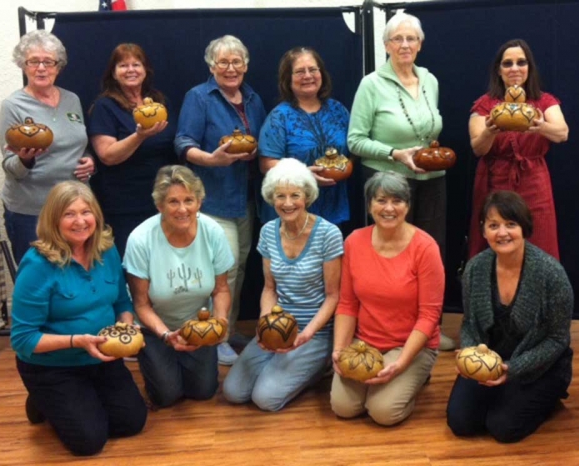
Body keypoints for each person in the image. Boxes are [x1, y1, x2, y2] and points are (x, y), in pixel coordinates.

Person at [10, 181, 146, 456]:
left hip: (102, 358)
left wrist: (126, 325)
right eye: (69, 214)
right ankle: (42, 398)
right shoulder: (38, 264)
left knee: (131, 423)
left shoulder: (105, 250)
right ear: (53, 219)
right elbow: (23, 338)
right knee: (89, 441)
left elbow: (122, 300)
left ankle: (80, 397)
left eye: (86, 212)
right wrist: (77, 341)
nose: (80, 221)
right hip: (53, 366)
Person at [347, 12, 454, 350]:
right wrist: (396, 153)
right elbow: (355, 140)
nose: (405, 44)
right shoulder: (371, 84)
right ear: (386, 45)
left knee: (429, 253)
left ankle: (428, 332)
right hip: (388, 184)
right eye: (397, 39)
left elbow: (428, 130)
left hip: (432, 179)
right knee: (389, 257)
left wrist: (426, 154)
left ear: (420, 45)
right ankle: (387, 331)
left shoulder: (430, 80)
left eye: (411, 39)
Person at [447, 190, 573, 443]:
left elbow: (557, 340)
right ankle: (503, 395)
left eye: (510, 224)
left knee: (503, 428)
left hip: (540, 366)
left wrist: (513, 368)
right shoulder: (475, 268)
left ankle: (549, 397)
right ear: (483, 231)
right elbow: (470, 324)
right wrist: (471, 356)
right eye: (493, 225)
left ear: (524, 228)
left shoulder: (551, 274)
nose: (502, 233)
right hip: (491, 362)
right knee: (461, 423)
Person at [175, 35, 267, 365]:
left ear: (246, 65)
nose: (231, 68)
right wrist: (212, 159)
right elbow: (183, 143)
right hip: (213, 199)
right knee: (222, 273)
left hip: (246, 198)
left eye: (237, 61)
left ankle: (226, 327)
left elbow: (260, 138)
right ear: (211, 66)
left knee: (240, 267)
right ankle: (216, 338)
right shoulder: (199, 97)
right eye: (223, 62)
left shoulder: (253, 98)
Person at [223, 158, 343, 411]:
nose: (287, 203)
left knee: (265, 399)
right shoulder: (268, 231)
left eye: (294, 195)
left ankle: (318, 368)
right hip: (278, 325)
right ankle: (283, 367)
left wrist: (306, 334)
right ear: (271, 198)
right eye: (280, 196)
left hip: (314, 331)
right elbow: (269, 288)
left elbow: (334, 296)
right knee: (233, 392)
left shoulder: (328, 233)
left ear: (307, 196)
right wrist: (265, 325)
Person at [330, 171, 444, 426]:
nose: (389, 208)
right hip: (364, 344)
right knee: (343, 407)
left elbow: (429, 316)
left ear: (408, 205)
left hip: (408, 346)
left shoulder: (425, 247)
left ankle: (414, 378)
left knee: (383, 412)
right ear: (369, 204)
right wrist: (339, 349)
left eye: (397, 201)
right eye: (381, 200)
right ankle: (389, 385)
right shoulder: (354, 242)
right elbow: (347, 304)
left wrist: (402, 364)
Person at [123, 165, 234, 409]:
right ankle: (156, 361)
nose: (182, 209)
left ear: (199, 202)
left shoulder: (212, 232)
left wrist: (221, 321)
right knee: (166, 397)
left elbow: (221, 289)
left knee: (204, 392)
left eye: (188, 200)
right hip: (156, 330)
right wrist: (166, 335)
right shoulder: (141, 239)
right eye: (173, 202)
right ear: (160, 206)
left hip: (199, 326)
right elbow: (140, 303)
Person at [468, 39, 569, 260]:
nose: (514, 68)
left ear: (529, 68)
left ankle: (539, 292)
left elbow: (562, 133)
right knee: (496, 243)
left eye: (521, 62)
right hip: (496, 182)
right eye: (507, 63)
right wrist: (490, 131)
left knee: (540, 242)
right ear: (499, 69)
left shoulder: (544, 101)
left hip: (533, 180)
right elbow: (478, 148)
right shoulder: (486, 105)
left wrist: (540, 127)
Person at [0, 30, 95, 264]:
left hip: (74, 208)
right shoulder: (13, 105)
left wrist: (89, 159)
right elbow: (9, 166)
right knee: (38, 279)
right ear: (24, 65)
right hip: (32, 211)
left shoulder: (72, 99)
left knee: (73, 273)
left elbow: (78, 143)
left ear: (58, 66)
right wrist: (25, 160)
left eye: (48, 62)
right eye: (34, 61)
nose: (41, 68)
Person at [88, 43, 177, 258]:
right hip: (124, 204)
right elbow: (107, 155)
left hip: (160, 200)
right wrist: (140, 136)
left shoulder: (160, 102)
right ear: (114, 73)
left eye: (136, 64)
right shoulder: (105, 107)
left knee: (160, 263)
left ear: (146, 70)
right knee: (131, 263)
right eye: (123, 65)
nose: (131, 70)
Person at [258, 47, 350, 227]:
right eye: (300, 71)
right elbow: (266, 164)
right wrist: (304, 175)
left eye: (313, 70)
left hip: (334, 208)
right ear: (288, 79)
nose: (308, 76)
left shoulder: (338, 111)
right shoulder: (279, 117)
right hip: (291, 211)